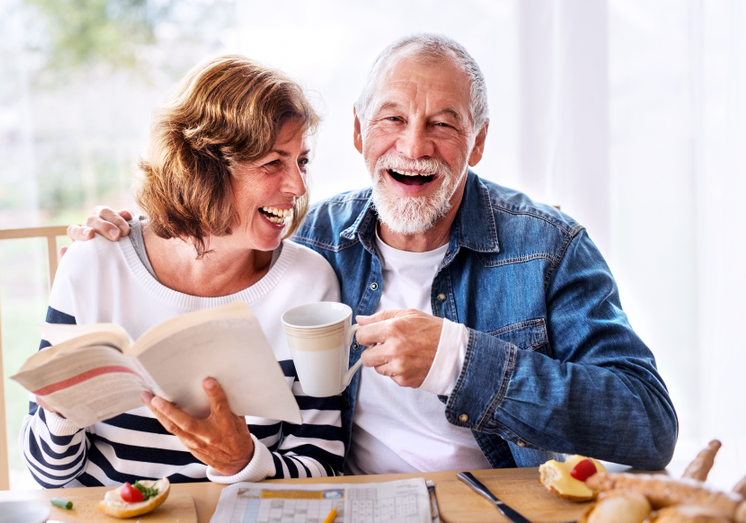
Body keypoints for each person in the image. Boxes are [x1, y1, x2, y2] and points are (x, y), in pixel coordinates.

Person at [75, 33, 679, 474]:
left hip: (496, 505)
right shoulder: (311, 242)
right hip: (346, 503)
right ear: (360, 133)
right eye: (393, 118)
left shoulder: (548, 247)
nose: (414, 146)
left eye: (444, 124)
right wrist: (133, 230)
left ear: (480, 140)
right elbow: (211, 240)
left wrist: (458, 359)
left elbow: (650, 427)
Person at [21, 55, 345, 488]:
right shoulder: (94, 264)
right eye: (273, 163)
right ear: (204, 168)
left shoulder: (309, 283)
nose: (298, 186)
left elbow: (323, 463)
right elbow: (47, 475)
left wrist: (243, 461)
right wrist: (62, 407)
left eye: (301, 161)